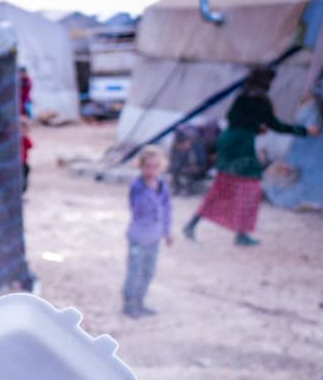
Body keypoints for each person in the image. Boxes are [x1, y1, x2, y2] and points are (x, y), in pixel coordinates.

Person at [182, 66, 320, 245]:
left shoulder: (242, 96)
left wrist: (254, 127)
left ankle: (193, 224)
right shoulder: (261, 100)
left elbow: (233, 118)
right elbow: (276, 125)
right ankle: (241, 234)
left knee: (222, 187)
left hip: (228, 140)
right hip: (241, 145)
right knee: (250, 188)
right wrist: (305, 130)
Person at [123, 146, 173, 318]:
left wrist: (167, 232)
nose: (151, 171)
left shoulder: (162, 187)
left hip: (154, 237)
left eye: (155, 167)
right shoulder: (138, 187)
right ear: (141, 167)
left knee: (148, 271)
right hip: (138, 236)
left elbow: (167, 210)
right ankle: (129, 304)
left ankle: (140, 302)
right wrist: (148, 191)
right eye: (148, 166)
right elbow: (138, 208)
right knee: (134, 271)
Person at [21, 117, 35, 193]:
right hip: (18, 163)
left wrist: (25, 137)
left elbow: (31, 145)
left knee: (25, 173)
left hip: (24, 162)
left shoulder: (25, 139)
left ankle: (23, 191)